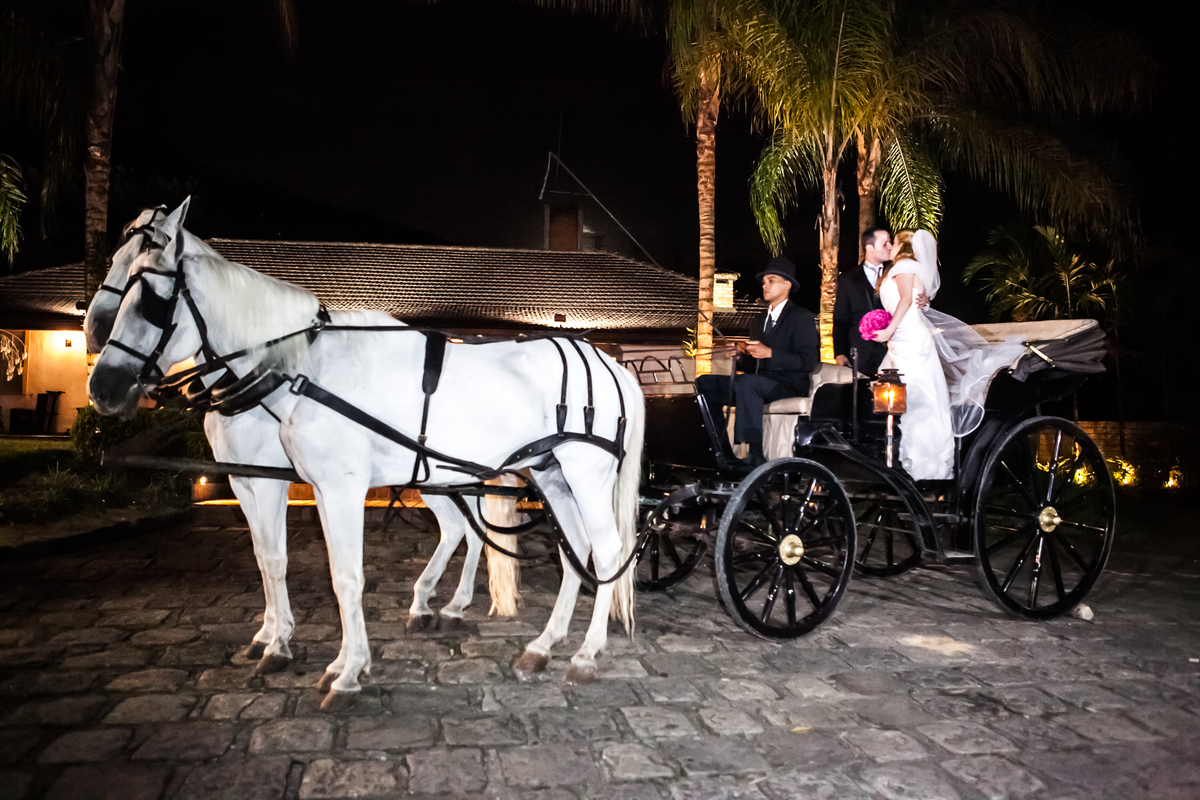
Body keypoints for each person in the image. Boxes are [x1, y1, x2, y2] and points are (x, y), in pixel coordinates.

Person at [868, 229, 1025, 481]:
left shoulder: (905, 264)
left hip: (909, 339)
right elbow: (918, 300)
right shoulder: (907, 267)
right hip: (904, 339)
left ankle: (920, 467)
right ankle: (905, 461)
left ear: (904, 246)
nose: (891, 247)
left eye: (894, 242)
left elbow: (907, 300)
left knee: (918, 400)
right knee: (908, 399)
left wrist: (888, 329)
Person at [696, 256, 820, 467]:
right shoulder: (758, 320)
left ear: (787, 284)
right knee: (704, 383)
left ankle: (755, 454)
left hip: (788, 385)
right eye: (764, 282)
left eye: (771, 280)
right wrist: (740, 358)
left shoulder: (802, 318)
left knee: (747, 383)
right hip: (758, 385)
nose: (765, 285)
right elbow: (755, 364)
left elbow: (807, 361)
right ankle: (722, 452)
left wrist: (770, 353)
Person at [833, 227, 892, 376]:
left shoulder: (895, 276)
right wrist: (839, 352)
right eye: (884, 244)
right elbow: (840, 318)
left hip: (890, 350)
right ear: (869, 248)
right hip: (859, 352)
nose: (890, 247)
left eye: (890, 243)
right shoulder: (848, 278)